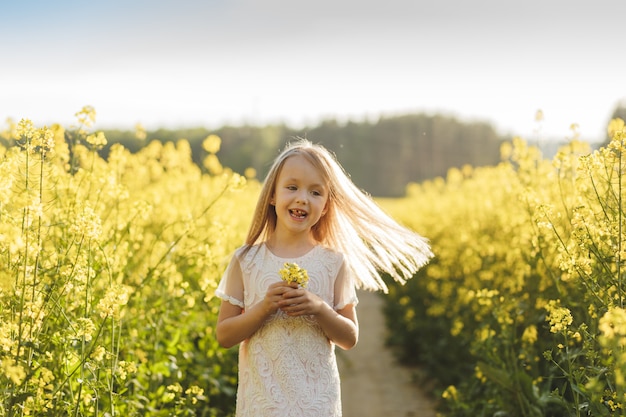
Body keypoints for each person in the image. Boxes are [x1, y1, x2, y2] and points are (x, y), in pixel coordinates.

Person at [215, 138, 433, 416]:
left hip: (317, 403)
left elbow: (349, 337)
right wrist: (265, 307)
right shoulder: (246, 260)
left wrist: (318, 308)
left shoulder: (333, 262)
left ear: (327, 205)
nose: (302, 198)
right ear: (272, 195)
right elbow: (224, 335)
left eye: (316, 192)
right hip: (262, 403)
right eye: (291, 187)